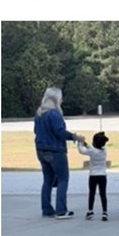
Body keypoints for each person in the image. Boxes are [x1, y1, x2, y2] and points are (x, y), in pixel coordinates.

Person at [34, 87, 80, 218]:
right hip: (55, 150)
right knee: (62, 179)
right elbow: (59, 132)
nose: (62, 100)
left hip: (41, 149)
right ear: (56, 99)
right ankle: (61, 210)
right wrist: (74, 137)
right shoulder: (54, 114)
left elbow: (36, 132)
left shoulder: (39, 113)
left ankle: (46, 209)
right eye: (60, 97)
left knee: (47, 180)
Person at [76, 131, 110, 221]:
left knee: (92, 193)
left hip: (93, 175)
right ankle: (105, 212)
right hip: (102, 175)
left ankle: (90, 211)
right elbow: (92, 149)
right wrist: (86, 145)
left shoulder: (91, 151)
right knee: (103, 194)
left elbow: (81, 151)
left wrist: (80, 142)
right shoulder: (104, 151)